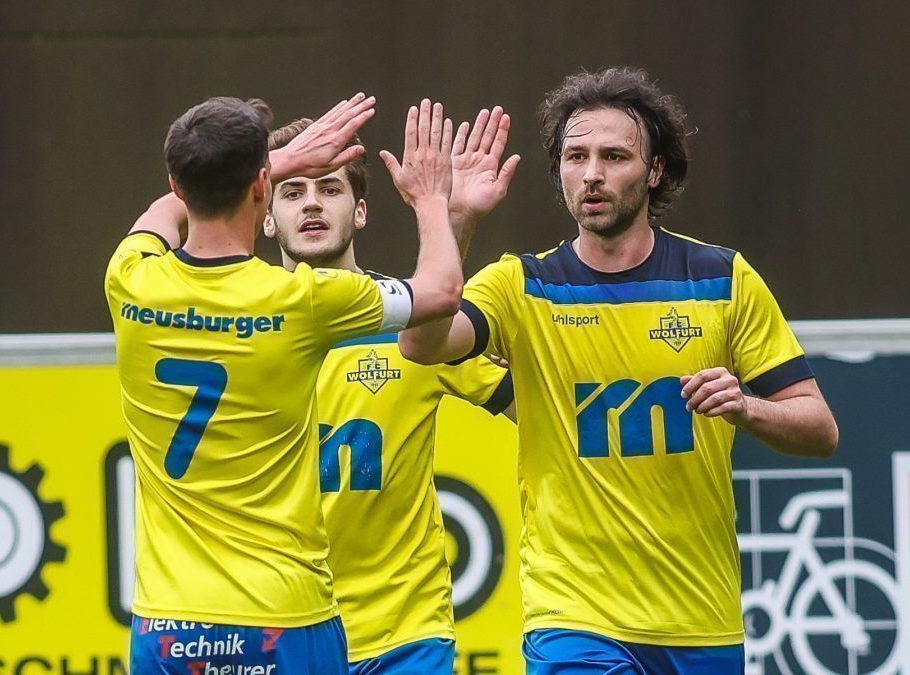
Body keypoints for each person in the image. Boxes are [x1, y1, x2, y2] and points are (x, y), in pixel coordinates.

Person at [398, 67, 839, 674]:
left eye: (614, 156)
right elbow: (421, 343)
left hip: (699, 617)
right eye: (575, 156)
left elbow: (819, 429)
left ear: (655, 171)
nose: (592, 174)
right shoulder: (522, 285)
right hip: (573, 616)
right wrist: (456, 219)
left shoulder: (721, 279)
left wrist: (746, 406)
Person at [105, 94, 463, 673]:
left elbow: (161, 213)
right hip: (283, 615)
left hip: (167, 622)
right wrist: (431, 199)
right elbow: (442, 292)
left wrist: (280, 165)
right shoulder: (302, 300)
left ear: (177, 183)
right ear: (261, 190)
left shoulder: (129, 279)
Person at [262, 106, 518, 674]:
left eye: (329, 189)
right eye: (292, 191)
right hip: (282, 630)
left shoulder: (416, 327)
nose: (311, 203)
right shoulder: (242, 332)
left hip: (404, 635)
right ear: (267, 218)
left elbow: (551, 412)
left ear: (360, 211)